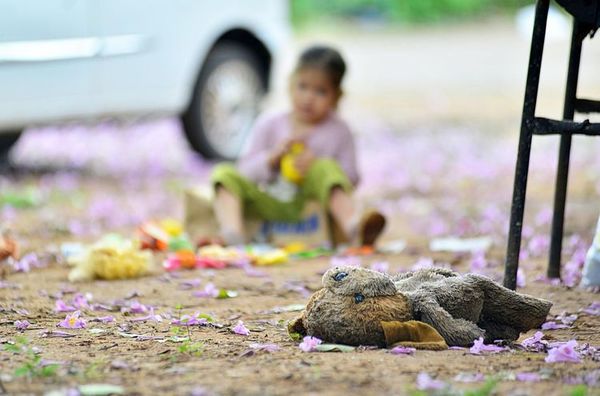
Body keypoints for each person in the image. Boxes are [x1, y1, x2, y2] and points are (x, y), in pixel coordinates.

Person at [210, 45, 385, 246]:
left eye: (321, 91)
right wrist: (271, 159)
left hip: (313, 206)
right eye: (303, 86)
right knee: (224, 174)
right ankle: (232, 234)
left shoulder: (339, 130)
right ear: (290, 84)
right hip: (271, 201)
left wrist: (317, 166)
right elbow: (244, 172)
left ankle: (353, 229)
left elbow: (352, 178)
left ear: (337, 97)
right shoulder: (269, 124)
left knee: (325, 168)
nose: (308, 98)